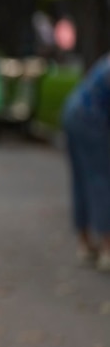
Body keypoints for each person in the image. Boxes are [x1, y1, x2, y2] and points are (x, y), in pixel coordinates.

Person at [62, 53, 110, 272]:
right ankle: (107, 250)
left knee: (83, 179)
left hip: (73, 113)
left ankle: (85, 243)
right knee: (101, 180)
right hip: (91, 120)